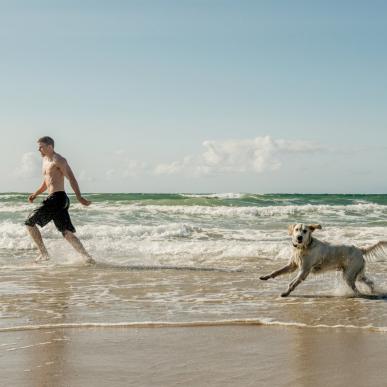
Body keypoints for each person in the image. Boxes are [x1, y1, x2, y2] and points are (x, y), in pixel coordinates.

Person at [25, 136, 95, 264]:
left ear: (50, 147)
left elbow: (72, 179)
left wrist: (79, 197)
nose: (38, 149)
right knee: (66, 232)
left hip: (57, 198)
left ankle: (44, 254)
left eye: (41, 146)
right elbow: (46, 183)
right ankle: (87, 258)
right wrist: (35, 194)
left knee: (29, 222)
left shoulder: (59, 160)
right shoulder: (45, 160)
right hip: (56, 199)